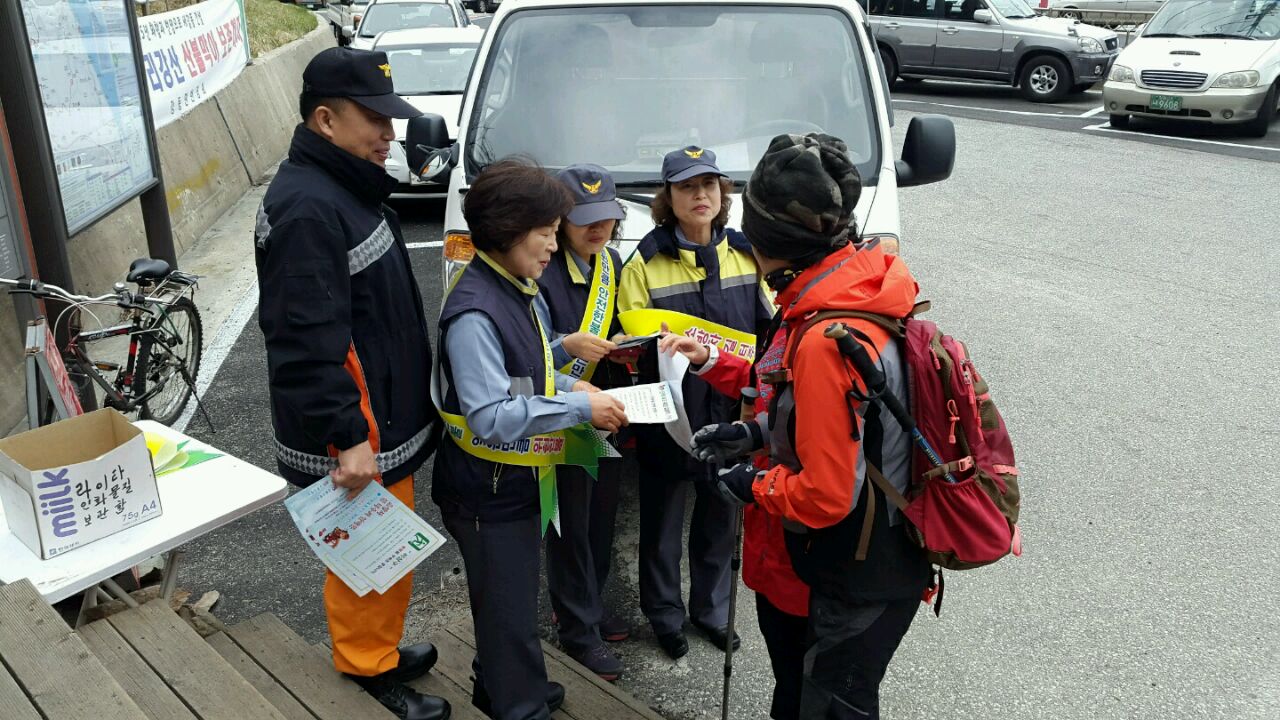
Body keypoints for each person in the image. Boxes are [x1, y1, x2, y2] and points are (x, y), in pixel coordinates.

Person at [659, 133, 930, 719]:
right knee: (801, 693)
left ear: (769, 240)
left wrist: (751, 483)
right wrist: (754, 431)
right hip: (870, 548)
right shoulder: (848, 286)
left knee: (821, 704)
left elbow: (827, 493)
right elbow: (813, 405)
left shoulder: (824, 336)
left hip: (844, 568)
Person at [254, 47, 448, 720]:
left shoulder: (336, 187)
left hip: (377, 421)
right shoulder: (309, 209)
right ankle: (368, 667)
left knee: (386, 549)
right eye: (376, 119)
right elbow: (306, 341)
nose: (389, 134)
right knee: (365, 553)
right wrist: (349, 437)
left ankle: (379, 647)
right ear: (326, 120)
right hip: (356, 434)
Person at [432, 158, 629, 720]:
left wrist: (573, 383)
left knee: (511, 601)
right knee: (508, 609)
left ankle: (504, 686)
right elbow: (490, 414)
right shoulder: (475, 312)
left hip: (510, 478)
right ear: (506, 230)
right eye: (544, 232)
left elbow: (526, 372)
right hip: (485, 488)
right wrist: (579, 405)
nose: (551, 245)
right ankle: (519, 705)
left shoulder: (515, 286)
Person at [617, 146, 774, 659]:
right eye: (686, 187)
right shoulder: (644, 262)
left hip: (730, 410)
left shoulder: (747, 253)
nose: (700, 195)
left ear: (723, 193)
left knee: (721, 516)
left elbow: (769, 331)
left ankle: (712, 610)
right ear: (668, 197)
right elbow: (631, 340)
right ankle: (664, 615)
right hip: (671, 415)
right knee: (661, 521)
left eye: (709, 185)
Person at [538, 164, 634, 681]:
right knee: (569, 524)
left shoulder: (611, 263)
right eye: (584, 218)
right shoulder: (542, 267)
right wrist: (566, 350)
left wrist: (625, 345)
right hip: (561, 416)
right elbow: (525, 358)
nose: (598, 229)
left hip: (604, 412)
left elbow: (615, 325)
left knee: (600, 518)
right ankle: (577, 628)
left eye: (607, 218)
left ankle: (589, 605)